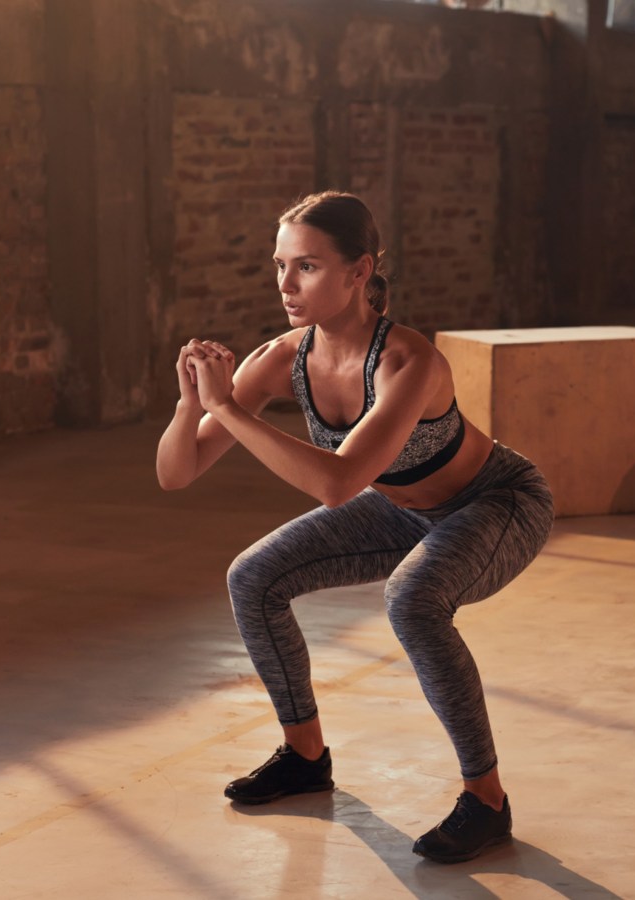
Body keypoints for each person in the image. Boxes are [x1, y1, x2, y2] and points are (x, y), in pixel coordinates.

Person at [156, 191, 554, 864]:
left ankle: (486, 799)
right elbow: (177, 471)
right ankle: (304, 757)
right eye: (280, 265)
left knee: (414, 600)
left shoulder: (409, 362)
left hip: (496, 502)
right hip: (401, 507)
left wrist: (229, 408)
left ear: (359, 271)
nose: (286, 284)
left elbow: (339, 483)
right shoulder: (281, 358)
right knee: (254, 576)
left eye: (306, 266)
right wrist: (192, 403)